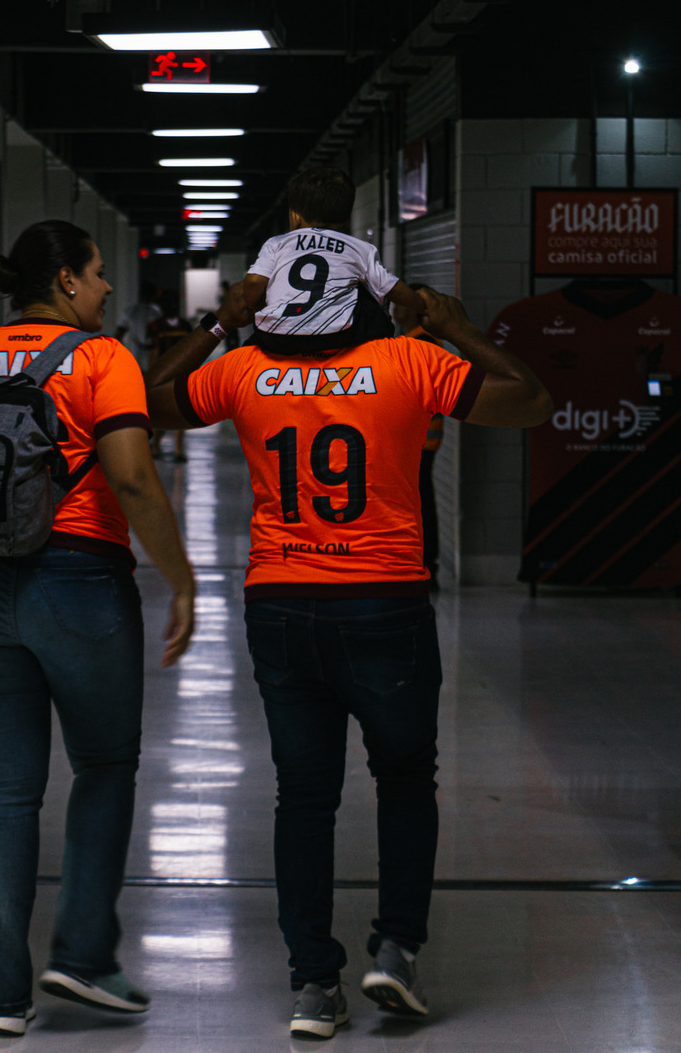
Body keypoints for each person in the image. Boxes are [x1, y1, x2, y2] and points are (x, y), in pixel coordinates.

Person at [143, 282, 552, 1038]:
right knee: (405, 778)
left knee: (303, 797)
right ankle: (396, 950)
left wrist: (217, 325)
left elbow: (146, 402)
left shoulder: (244, 368)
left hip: (281, 605)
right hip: (383, 603)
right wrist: (460, 327)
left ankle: (313, 985)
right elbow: (530, 400)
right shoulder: (409, 361)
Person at [0, 220, 196, 1038]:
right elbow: (132, 478)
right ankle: (84, 955)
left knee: (1, 790)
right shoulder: (104, 359)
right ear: (66, 280)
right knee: (103, 765)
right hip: (76, 584)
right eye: (98, 273)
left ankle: (2, 997)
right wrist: (182, 581)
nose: (107, 287)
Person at [242, 166, 426, 355]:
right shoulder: (360, 248)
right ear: (347, 220)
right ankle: (376, 353)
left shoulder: (276, 244)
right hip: (337, 335)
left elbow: (254, 282)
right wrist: (422, 305)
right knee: (369, 291)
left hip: (278, 337)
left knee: (256, 334)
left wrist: (256, 303)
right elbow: (391, 288)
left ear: (295, 217)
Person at [393, 284, 447, 586]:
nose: (394, 310)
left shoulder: (422, 342)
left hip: (422, 439)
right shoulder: (411, 340)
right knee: (418, 499)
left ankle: (427, 564)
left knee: (421, 501)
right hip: (418, 439)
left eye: (400, 304)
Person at [148, 294, 193, 462]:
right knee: (162, 410)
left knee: (179, 410)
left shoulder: (184, 326)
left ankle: (176, 449)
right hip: (164, 373)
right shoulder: (156, 326)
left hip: (181, 373)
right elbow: (154, 350)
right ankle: (158, 446)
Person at [115, 280, 162, 371]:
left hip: (134, 351)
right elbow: (156, 334)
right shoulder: (155, 312)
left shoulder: (130, 311)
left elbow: (119, 332)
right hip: (146, 352)